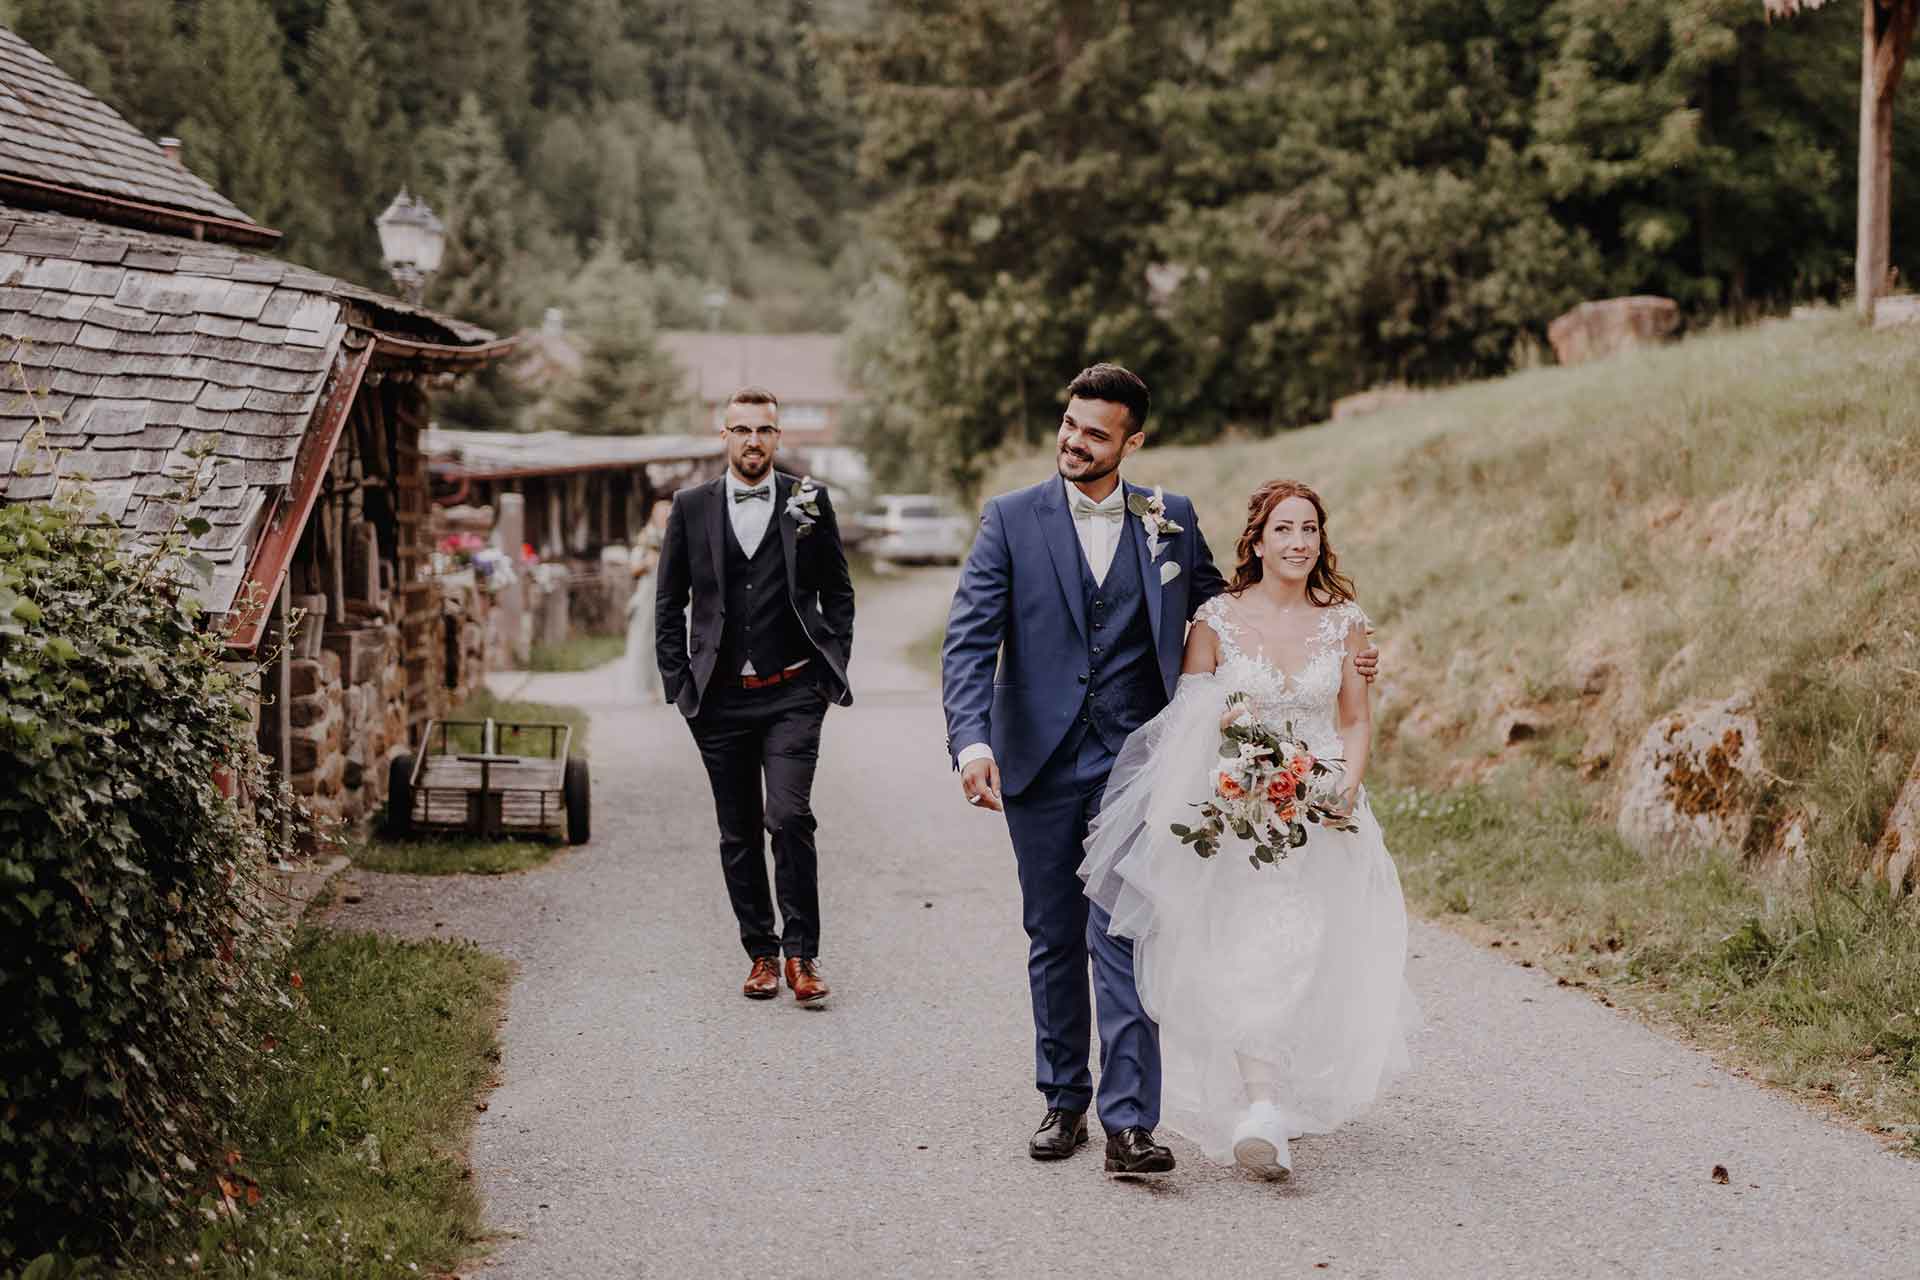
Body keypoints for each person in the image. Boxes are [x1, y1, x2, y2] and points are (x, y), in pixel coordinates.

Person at [940, 364, 1379, 1175]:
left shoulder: (1167, 518)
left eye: (1096, 433)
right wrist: (972, 743)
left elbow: (1225, 610)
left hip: (1137, 761)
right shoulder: (1008, 520)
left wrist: (1318, 626)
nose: (1075, 442)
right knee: (1052, 932)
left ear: (1132, 442)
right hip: (1036, 759)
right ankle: (1062, 1099)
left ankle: (1130, 1124)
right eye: (1070, 426)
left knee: (1125, 928)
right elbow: (969, 641)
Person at [1079, 479, 1417, 1181]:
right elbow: (1188, 720)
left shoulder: (1345, 622)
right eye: (1284, 530)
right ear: (1257, 541)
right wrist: (1242, 766)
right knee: (1251, 946)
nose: (1298, 543)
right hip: (1238, 812)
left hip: (1323, 809)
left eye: (1310, 531)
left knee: (1316, 952)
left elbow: (1354, 719)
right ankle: (1260, 1108)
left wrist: (1346, 785)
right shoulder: (1215, 619)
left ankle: (1274, 1090)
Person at [655, 387, 856, 1007]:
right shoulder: (690, 507)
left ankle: (803, 956)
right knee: (737, 829)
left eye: (764, 430)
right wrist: (679, 684)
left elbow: (838, 592)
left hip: (793, 689)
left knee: (788, 816)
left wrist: (830, 669)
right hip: (716, 700)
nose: (752, 441)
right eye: (741, 429)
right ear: (724, 435)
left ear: (778, 436)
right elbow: (670, 602)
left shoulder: (808, 499)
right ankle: (761, 955)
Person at [622, 500, 671, 703]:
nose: (664, 517)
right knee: (646, 642)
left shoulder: (677, 535)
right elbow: (634, 569)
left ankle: (672, 686)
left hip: (673, 596)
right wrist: (646, 563)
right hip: (648, 596)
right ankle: (648, 687)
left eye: (668, 513)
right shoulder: (646, 537)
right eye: (660, 513)